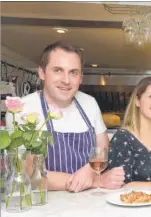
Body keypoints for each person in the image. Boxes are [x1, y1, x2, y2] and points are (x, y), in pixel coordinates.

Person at [6, 41, 122, 192]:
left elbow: (103, 146)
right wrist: (95, 181)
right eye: (58, 70)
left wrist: (89, 169)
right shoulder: (21, 111)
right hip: (43, 204)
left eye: (73, 72)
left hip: (88, 202)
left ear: (81, 78)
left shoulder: (89, 103)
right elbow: (31, 172)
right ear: (41, 72)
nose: (66, 80)